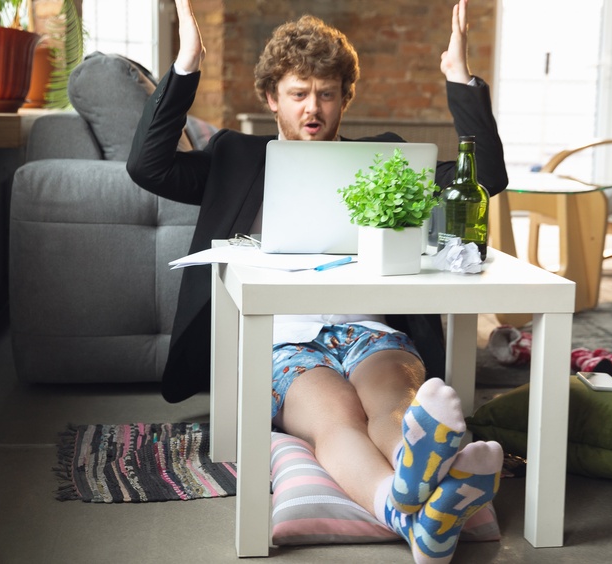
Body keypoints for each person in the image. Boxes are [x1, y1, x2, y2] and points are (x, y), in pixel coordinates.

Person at [128, 1, 508, 561]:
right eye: (299, 93)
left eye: (327, 94)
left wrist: (459, 78)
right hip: (286, 345)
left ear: (345, 98)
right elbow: (147, 166)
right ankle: (404, 507)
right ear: (271, 98)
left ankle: (419, 505)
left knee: (393, 405)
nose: (313, 107)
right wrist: (187, 63)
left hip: (370, 333)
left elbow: (487, 176)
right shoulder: (236, 157)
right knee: (338, 419)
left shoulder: (384, 158)